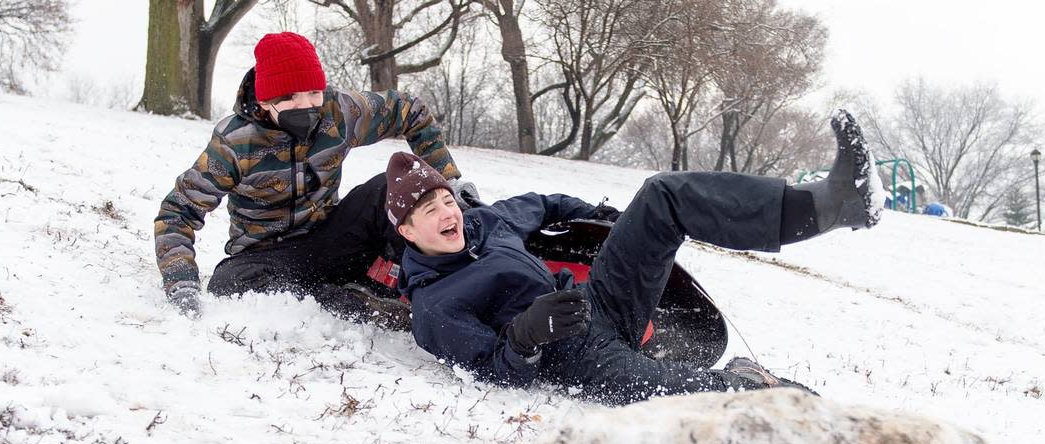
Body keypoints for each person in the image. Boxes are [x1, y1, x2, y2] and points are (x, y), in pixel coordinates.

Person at [387, 110, 883, 405]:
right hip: (578, 359)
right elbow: (494, 370)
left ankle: (832, 204)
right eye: (430, 210)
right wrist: (526, 333)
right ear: (408, 230)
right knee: (699, 394)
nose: (448, 213)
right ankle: (788, 400)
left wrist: (601, 217)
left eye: (447, 200)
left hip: (598, 301)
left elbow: (542, 203)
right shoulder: (435, 306)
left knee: (662, 195)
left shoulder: (484, 222)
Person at [153, 31, 474, 322]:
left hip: (332, 237)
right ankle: (360, 303)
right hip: (271, 256)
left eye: (313, 93)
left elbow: (409, 111)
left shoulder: (339, 112)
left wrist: (450, 183)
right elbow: (177, 213)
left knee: (390, 188)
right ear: (265, 101)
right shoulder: (236, 142)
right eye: (291, 97)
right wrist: (181, 284)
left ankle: (443, 280)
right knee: (227, 284)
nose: (306, 105)